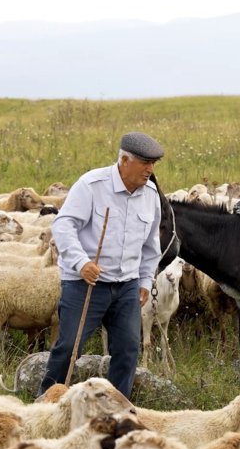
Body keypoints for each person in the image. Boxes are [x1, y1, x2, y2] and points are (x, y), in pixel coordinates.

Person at [38, 131, 163, 398]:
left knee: (129, 348)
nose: (150, 170)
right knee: (70, 347)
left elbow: (151, 244)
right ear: (125, 160)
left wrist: (144, 280)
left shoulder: (150, 194)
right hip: (85, 283)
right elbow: (64, 224)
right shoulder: (92, 185)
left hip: (127, 286)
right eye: (145, 163)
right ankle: (46, 406)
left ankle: (116, 412)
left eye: (153, 163)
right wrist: (82, 262)